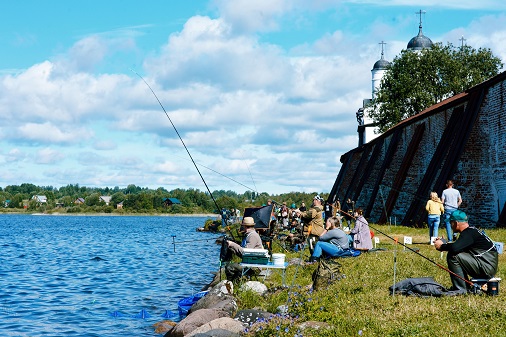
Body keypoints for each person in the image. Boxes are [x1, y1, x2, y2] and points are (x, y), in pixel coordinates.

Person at [433, 210, 498, 294]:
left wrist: (441, 246)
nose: (450, 225)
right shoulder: (471, 231)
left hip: (486, 266)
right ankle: (464, 286)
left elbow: (455, 248)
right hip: (487, 264)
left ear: (456, 223)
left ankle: (461, 289)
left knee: (453, 255)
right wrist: (445, 243)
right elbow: (459, 246)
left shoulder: (468, 233)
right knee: (455, 253)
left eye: (451, 223)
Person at [225, 217, 264, 281]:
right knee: (232, 266)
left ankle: (230, 284)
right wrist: (233, 248)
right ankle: (234, 284)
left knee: (229, 267)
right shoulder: (249, 235)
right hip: (250, 264)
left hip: (254, 268)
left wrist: (232, 244)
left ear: (245, 226)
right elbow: (244, 254)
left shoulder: (253, 236)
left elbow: (245, 253)